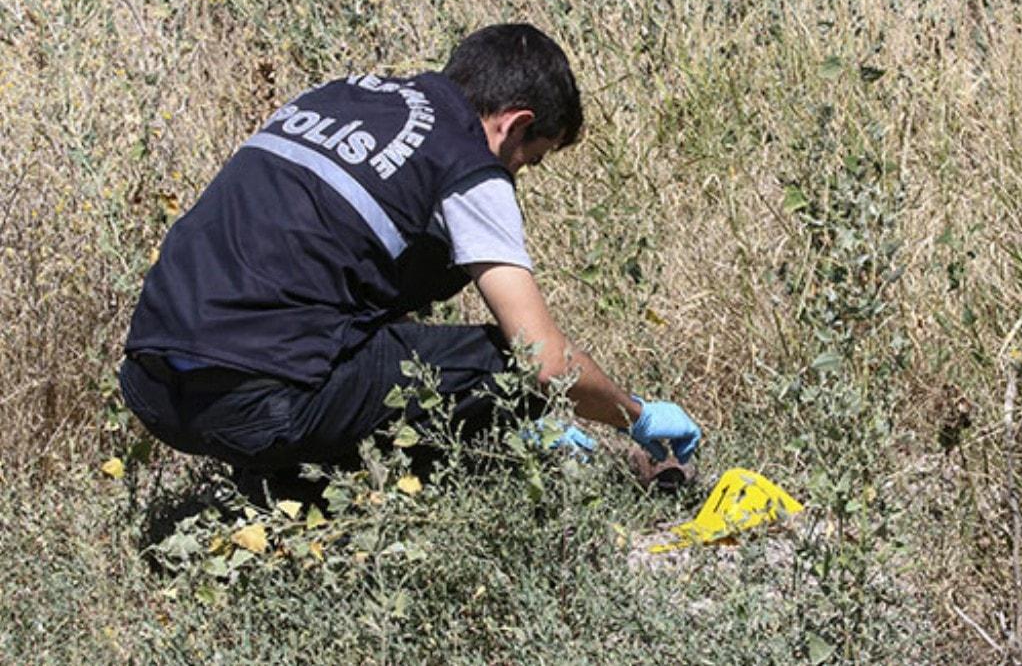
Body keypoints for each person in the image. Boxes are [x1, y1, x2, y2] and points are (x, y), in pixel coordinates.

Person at [118, 24, 701, 485]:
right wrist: (634, 415)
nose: (522, 172)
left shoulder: (338, 97)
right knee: (509, 371)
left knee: (379, 360)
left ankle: (283, 483)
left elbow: (330, 273)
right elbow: (544, 361)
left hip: (152, 386)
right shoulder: (469, 162)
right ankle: (320, 489)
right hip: (257, 405)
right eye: (533, 158)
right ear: (515, 125)